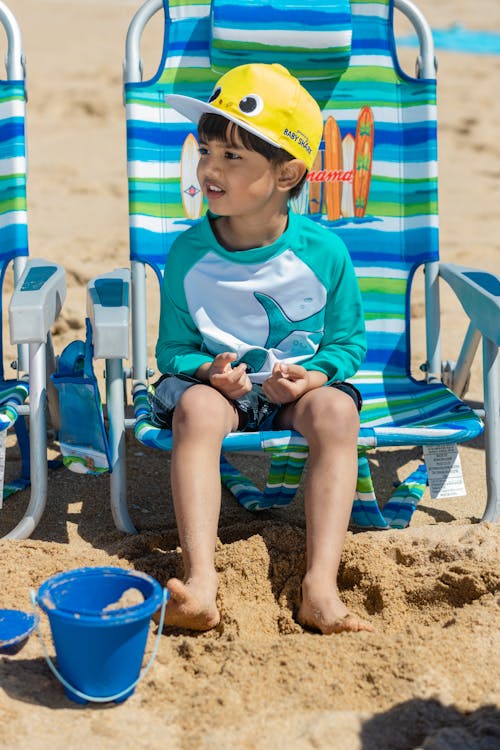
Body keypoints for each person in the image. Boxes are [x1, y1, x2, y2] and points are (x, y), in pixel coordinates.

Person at [152, 63, 373, 635]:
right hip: (220, 393)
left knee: (338, 412)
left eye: (232, 157)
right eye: (205, 151)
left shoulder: (324, 253)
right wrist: (208, 370)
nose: (209, 169)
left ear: (286, 174)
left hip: (289, 391)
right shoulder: (187, 255)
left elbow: (348, 344)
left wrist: (315, 376)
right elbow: (171, 351)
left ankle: (319, 587)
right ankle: (201, 581)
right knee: (196, 410)